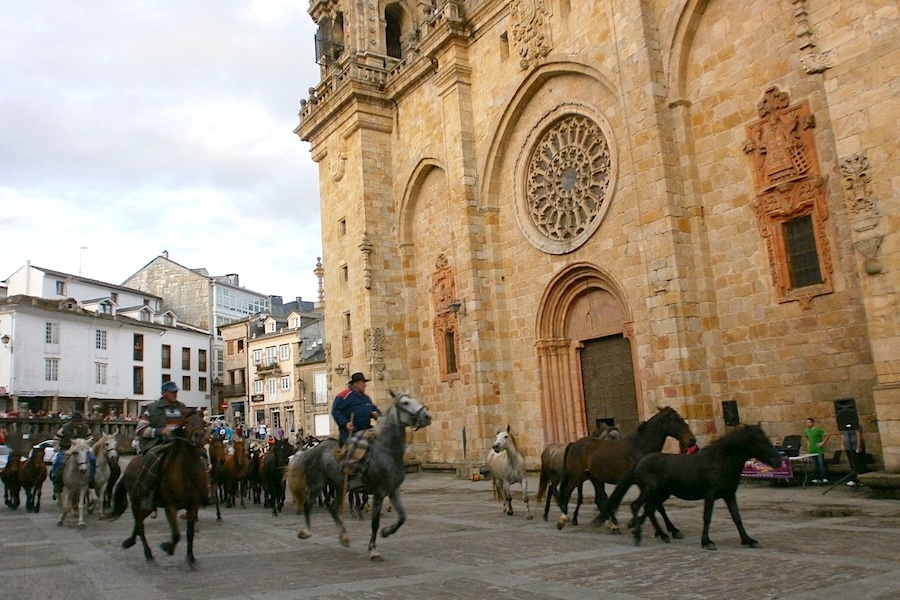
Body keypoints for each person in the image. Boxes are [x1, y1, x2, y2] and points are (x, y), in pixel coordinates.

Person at [132, 381, 207, 508]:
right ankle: (146, 492)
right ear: (164, 393)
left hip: (181, 442)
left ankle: (205, 492)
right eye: (172, 392)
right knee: (151, 457)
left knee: (204, 456)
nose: (175, 394)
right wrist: (160, 431)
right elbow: (140, 430)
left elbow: (190, 424)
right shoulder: (152, 409)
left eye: (176, 391)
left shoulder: (182, 407)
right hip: (160, 442)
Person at [50, 411, 95, 493]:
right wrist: (56, 447)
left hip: (81, 449)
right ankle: (57, 481)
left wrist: (86, 445)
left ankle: (91, 479)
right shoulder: (64, 428)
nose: (77, 423)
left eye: (79, 421)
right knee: (58, 462)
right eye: (75, 421)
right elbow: (56, 439)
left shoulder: (86, 428)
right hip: (66, 449)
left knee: (92, 459)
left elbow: (90, 439)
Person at [331, 372, 381, 445]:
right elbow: (335, 411)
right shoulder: (343, 396)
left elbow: (374, 409)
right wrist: (345, 423)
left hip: (366, 431)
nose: (365, 385)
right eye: (363, 382)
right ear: (355, 384)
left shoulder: (366, 398)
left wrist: (376, 414)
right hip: (350, 433)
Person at [803, 417, 830, 484]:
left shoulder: (818, 430)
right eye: (807, 422)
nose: (808, 424)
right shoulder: (806, 430)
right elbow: (806, 437)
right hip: (811, 450)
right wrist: (808, 442)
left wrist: (823, 442)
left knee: (821, 464)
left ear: (812, 423)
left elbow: (827, 434)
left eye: (809, 422)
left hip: (819, 450)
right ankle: (816, 477)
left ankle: (824, 477)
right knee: (815, 465)